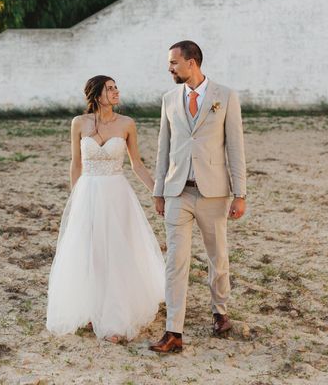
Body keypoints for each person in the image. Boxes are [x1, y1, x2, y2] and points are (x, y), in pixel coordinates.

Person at [46, 75, 165, 343]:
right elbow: (75, 165)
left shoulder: (127, 124)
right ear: (96, 94)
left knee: (116, 252)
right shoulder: (79, 123)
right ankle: (90, 309)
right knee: (90, 252)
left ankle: (114, 318)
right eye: (110, 89)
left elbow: (137, 164)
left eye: (116, 88)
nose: (116, 92)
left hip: (116, 194)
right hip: (87, 193)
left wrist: (157, 192)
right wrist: (75, 198)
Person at [149, 40, 247, 353]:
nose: (169, 69)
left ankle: (220, 311)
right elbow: (164, 147)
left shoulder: (225, 96)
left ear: (192, 62)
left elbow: (235, 147)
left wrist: (240, 193)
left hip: (214, 194)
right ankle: (173, 332)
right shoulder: (168, 99)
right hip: (177, 191)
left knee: (217, 258)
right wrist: (159, 191)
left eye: (174, 63)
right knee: (175, 261)